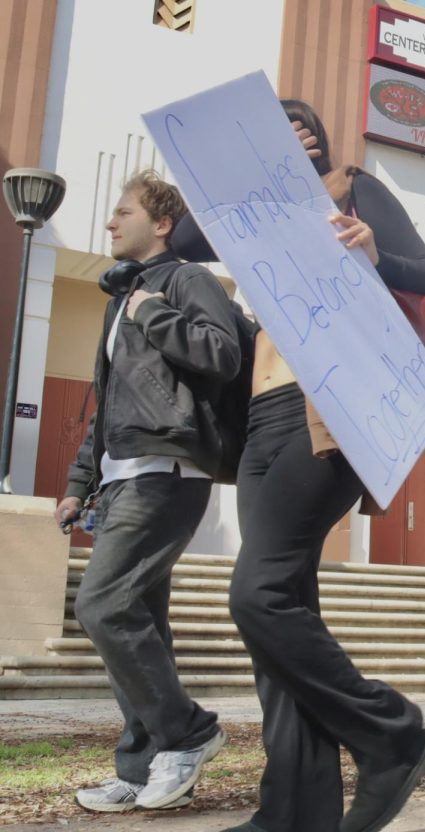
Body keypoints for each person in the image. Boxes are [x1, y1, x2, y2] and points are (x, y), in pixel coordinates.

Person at [172, 100, 425, 832]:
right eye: (274, 125)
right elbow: (183, 236)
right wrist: (244, 174)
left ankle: (391, 733)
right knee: (279, 619)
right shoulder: (256, 214)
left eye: (302, 125)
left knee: (256, 595)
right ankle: (293, 812)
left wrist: (372, 250)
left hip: (326, 408)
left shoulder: (353, 188)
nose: (293, 131)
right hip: (261, 419)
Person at [56, 170, 237, 812]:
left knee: (103, 607)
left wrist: (155, 313)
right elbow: (106, 406)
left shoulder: (187, 281)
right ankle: (139, 766)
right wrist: (80, 483)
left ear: (160, 224)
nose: (110, 222)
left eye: (123, 211)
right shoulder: (120, 298)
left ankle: (190, 732)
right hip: (122, 473)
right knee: (142, 626)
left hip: (169, 469)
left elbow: (222, 354)